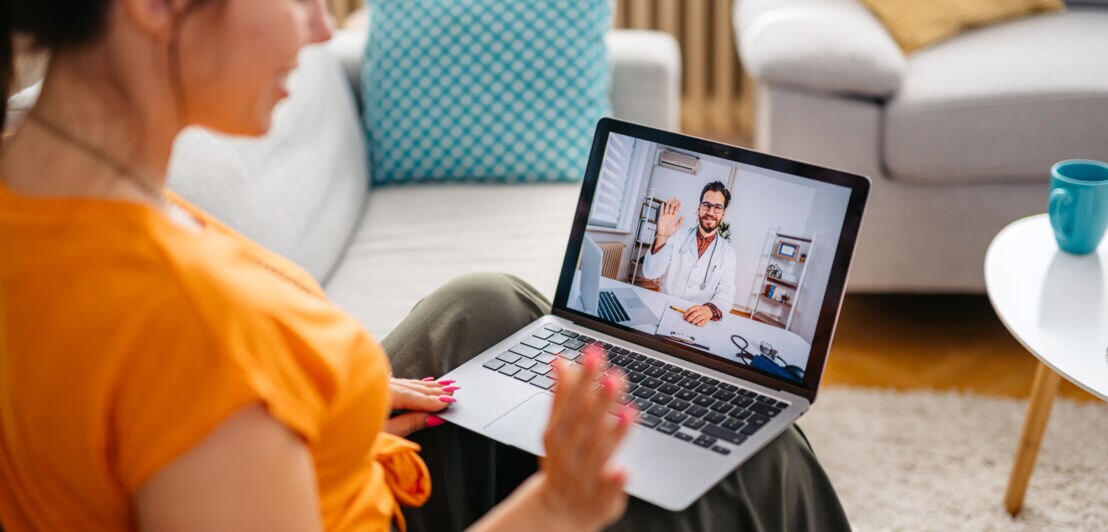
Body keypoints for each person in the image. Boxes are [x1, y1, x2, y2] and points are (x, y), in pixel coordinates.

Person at [0, 1, 850, 530]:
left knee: (489, 305)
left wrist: (340, 394)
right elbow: (200, 386)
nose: (324, 29)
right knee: (754, 468)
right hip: (376, 510)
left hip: (358, 457)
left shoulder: (46, 188)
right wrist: (555, 506)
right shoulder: (194, 337)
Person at [642, 181, 738, 327]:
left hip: (699, 320)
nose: (711, 212)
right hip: (665, 309)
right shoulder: (675, 235)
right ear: (698, 209)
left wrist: (709, 310)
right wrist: (661, 237)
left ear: (723, 214)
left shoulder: (728, 253)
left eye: (718, 207)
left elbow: (727, 293)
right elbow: (650, 273)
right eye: (706, 205)